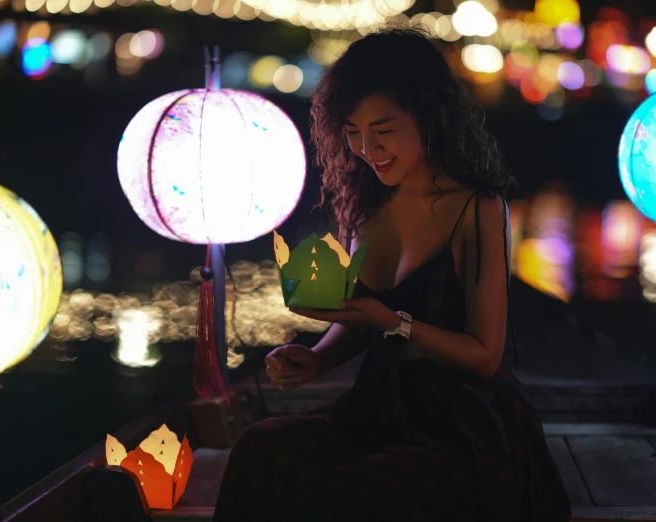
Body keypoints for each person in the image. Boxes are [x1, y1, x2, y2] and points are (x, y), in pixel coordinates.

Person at [214, 26, 572, 522]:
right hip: (376, 406)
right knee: (261, 447)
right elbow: (361, 318)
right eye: (353, 132)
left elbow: (485, 356)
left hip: (458, 422)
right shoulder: (365, 204)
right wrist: (316, 360)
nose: (368, 149)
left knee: (367, 494)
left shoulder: (477, 208)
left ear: (430, 117)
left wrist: (391, 320)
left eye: (383, 131)